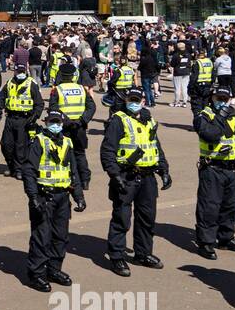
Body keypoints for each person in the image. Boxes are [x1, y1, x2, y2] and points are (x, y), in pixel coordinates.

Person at [100, 88, 171, 277]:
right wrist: (114, 175)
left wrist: (164, 169)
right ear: (126, 101)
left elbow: (156, 146)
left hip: (148, 177)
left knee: (147, 218)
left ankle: (143, 253)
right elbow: (107, 151)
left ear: (143, 101)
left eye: (137, 100)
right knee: (121, 218)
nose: (133, 102)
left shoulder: (149, 120)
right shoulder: (118, 120)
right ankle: (117, 256)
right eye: (130, 99)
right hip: (126, 175)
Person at [21, 110, 86, 292]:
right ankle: (36, 274)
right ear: (46, 122)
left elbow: (73, 172)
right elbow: (29, 171)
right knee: (42, 237)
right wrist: (33, 196)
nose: (55, 125)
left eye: (58, 122)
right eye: (52, 122)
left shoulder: (67, 142)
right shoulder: (39, 141)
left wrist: (79, 196)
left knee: (60, 236)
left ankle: (54, 269)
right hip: (44, 196)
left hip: (62, 196)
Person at [192, 86, 235, 259]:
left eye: (225, 99)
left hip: (231, 168)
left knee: (231, 206)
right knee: (209, 207)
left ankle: (226, 238)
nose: (222, 102)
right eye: (219, 98)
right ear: (212, 98)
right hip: (212, 168)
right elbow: (210, 135)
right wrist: (221, 116)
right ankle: (206, 242)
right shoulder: (204, 116)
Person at [48, 62, 94, 190]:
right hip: (79, 126)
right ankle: (84, 180)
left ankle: (70, 178)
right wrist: (82, 120)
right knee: (80, 153)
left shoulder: (57, 90)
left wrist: (66, 120)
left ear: (61, 75)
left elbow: (53, 108)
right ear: (74, 76)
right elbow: (91, 107)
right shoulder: (81, 89)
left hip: (64, 127)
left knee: (64, 153)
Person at [0, 64, 42, 179]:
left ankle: (19, 169)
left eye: (22, 71)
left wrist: (33, 118)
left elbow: (39, 104)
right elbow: (1, 97)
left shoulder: (31, 84)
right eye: (18, 71)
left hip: (24, 119)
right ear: (14, 71)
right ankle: (11, 166)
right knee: (6, 144)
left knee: (20, 145)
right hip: (10, 117)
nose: (19, 73)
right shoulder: (9, 83)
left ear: (26, 71)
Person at [187, 50, 214, 116]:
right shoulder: (209, 62)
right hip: (207, 85)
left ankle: (199, 119)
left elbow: (194, 76)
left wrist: (190, 87)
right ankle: (206, 119)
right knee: (206, 103)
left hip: (198, 86)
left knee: (197, 104)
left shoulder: (197, 63)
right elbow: (213, 74)